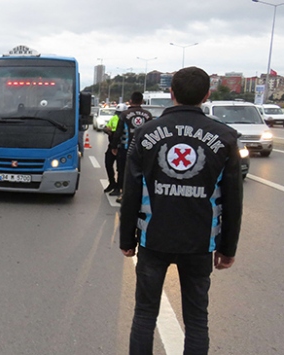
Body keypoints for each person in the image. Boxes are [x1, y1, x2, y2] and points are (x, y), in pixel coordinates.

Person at [119, 67, 243, 355]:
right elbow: (234, 200)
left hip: (154, 241)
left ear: (171, 94)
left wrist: (127, 240)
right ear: (206, 95)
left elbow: (132, 193)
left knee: (145, 315)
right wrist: (228, 248)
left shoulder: (145, 133)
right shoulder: (225, 137)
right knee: (197, 321)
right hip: (200, 244)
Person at [109, 92, 153, 201]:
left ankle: (121, 192)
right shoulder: (148, 115)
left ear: (131, 101)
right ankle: (140, 194)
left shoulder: (124, 115)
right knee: (141, 172)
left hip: (126, 148)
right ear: (142, 101)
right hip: (143, 149)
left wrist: (113, 146)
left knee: (123, 170)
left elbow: (118, 132)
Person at [102, 104, 125, 193]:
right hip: (112, 144)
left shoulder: (125, 119)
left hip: (121, 146)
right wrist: (107, 130)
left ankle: (119, 187)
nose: (118, 115)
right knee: (108, 163)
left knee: (120, 168)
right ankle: (112, 183)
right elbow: (107, 127)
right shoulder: (114, 118)